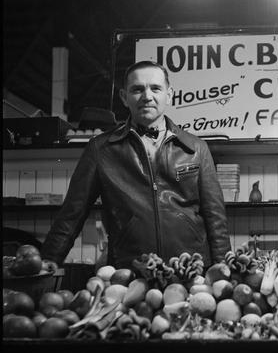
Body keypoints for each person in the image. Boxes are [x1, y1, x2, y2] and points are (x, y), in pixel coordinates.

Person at [42, 60, 231, 269]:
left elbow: (216, 218)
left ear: (169, 95)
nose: (147, 96)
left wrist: (224, 270)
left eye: (156, 88)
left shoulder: (196, 148)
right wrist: (47, 262)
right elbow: (71, 215)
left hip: (190, 270)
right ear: (124, 97)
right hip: (129, 272)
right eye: (137, 89)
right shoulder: (101, 149)